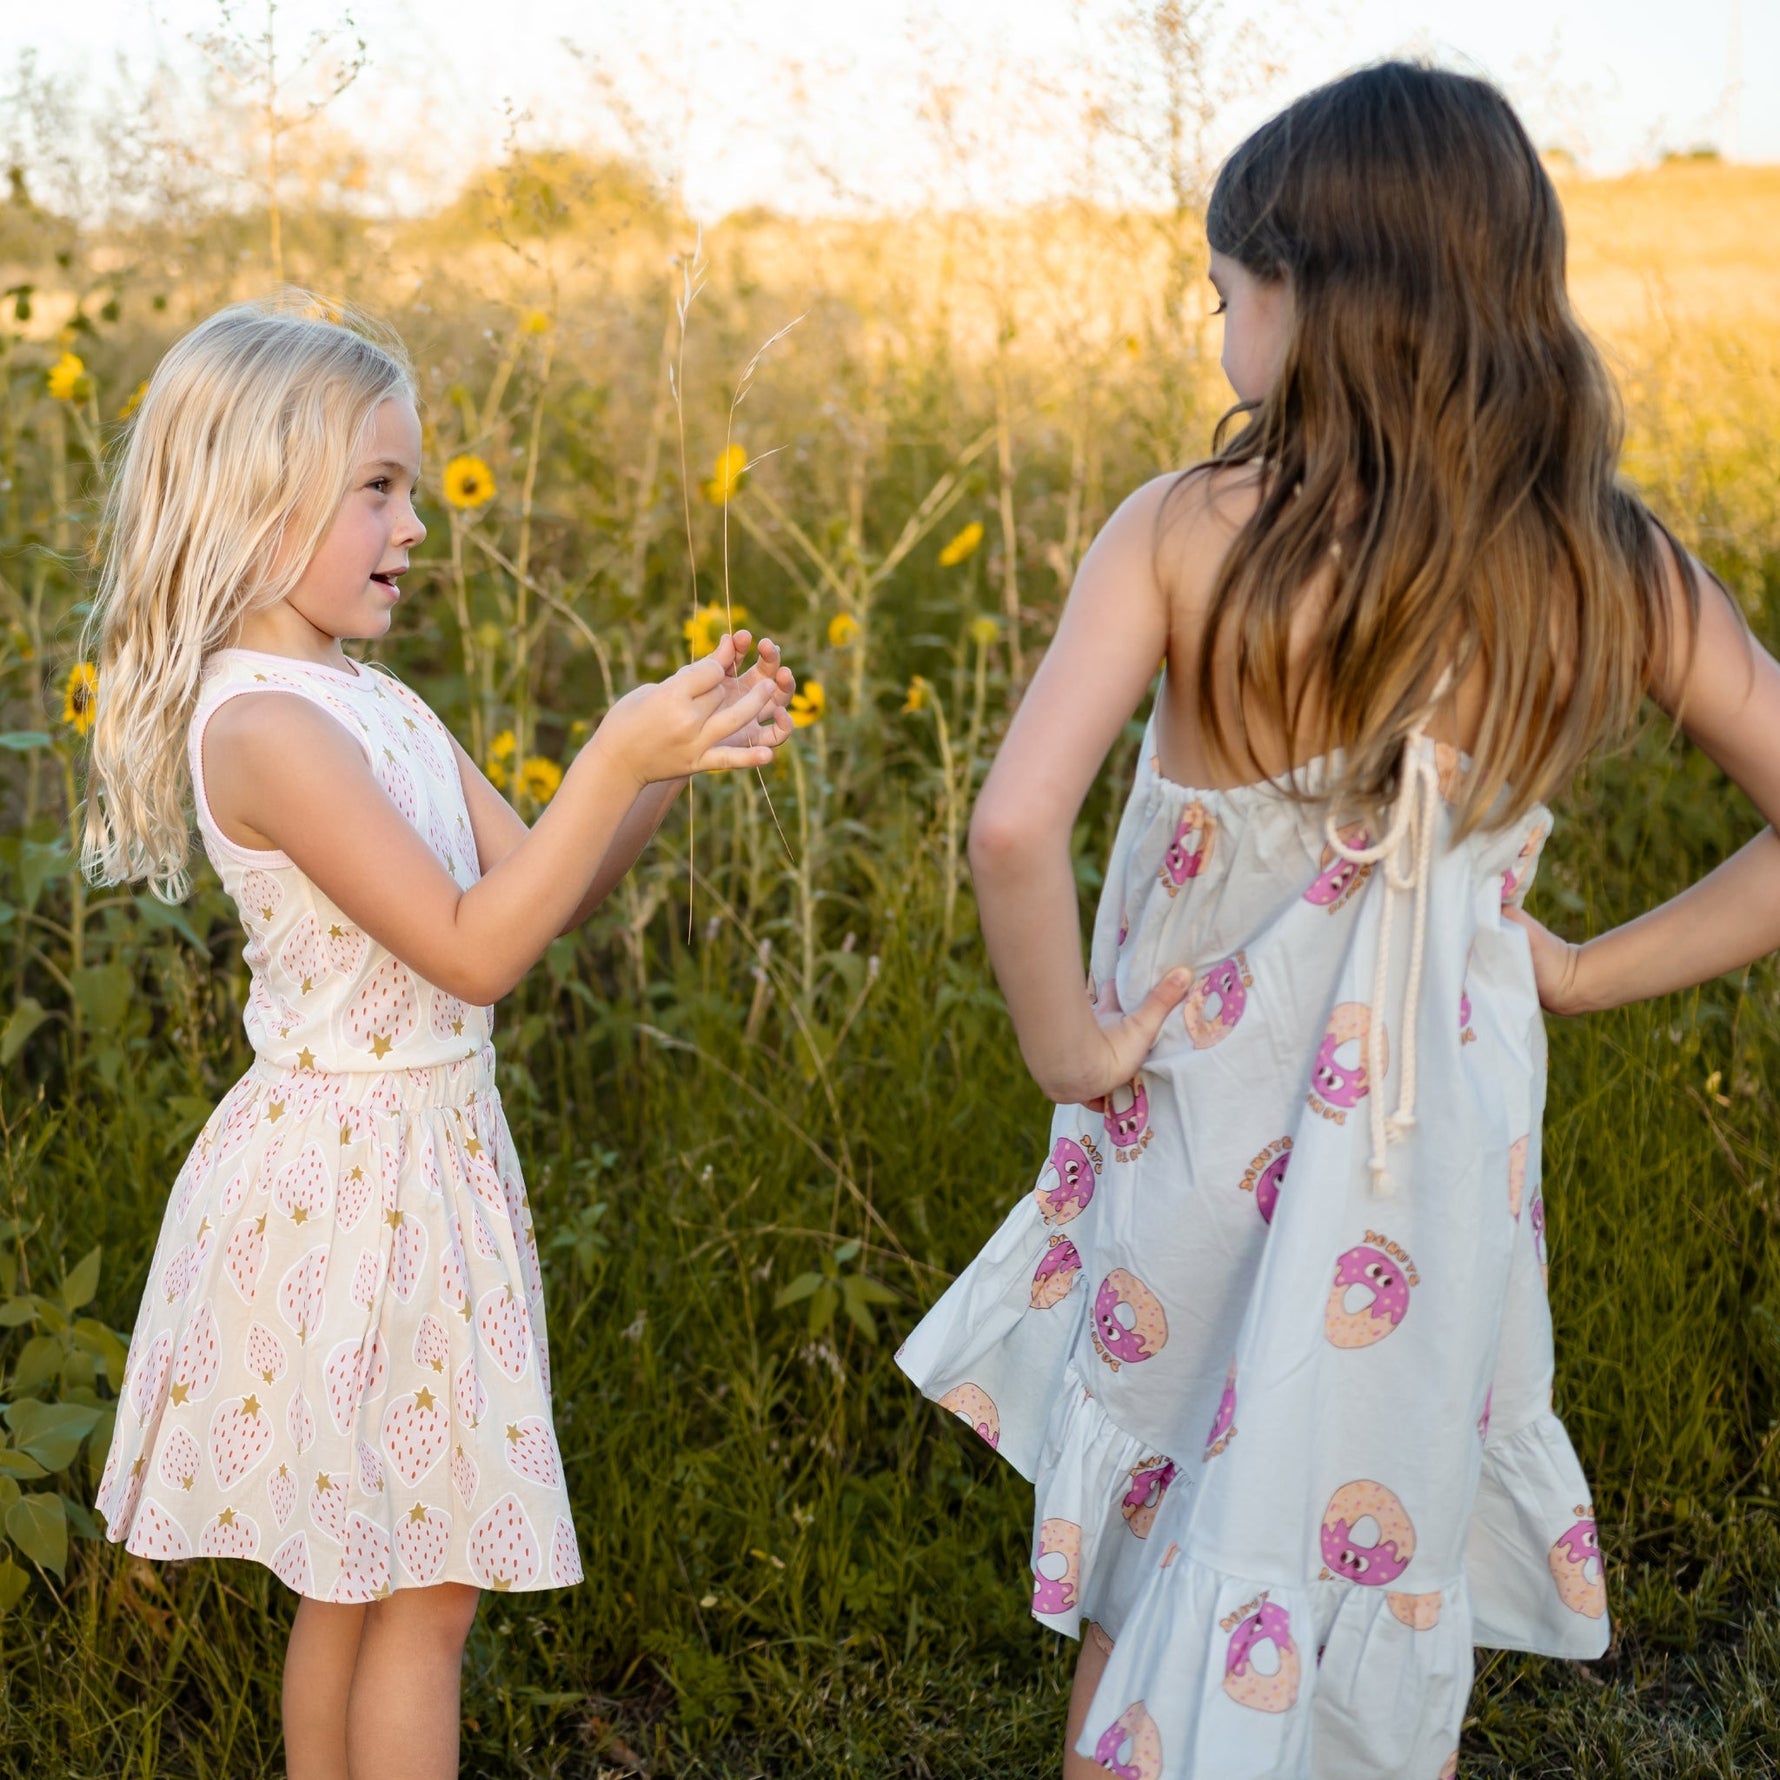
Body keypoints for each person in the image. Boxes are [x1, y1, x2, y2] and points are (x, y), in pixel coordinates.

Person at [897, 61, 1779, 1779]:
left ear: (1317, 300)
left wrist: (1067, 1044)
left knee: (1162, 1550)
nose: (1215, 323)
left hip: (1190, 1136)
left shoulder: (1185, 530)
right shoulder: (1597, 562)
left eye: (1228, 290)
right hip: (1423, 1178)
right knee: (1359, 1549)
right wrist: (1585, 972)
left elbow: (1013, 824)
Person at [82, 296, 795, 1780]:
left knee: (373, 1576)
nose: (418, 522)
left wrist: (662, 758)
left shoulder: (371, 701)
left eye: (415, 486)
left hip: (423, 1171)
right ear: (258, 498)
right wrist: (612, 754)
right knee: (418, 1586)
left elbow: (538, 897)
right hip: (347, 1185)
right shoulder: (264, 727)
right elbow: (471, 949)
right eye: (381, 489)